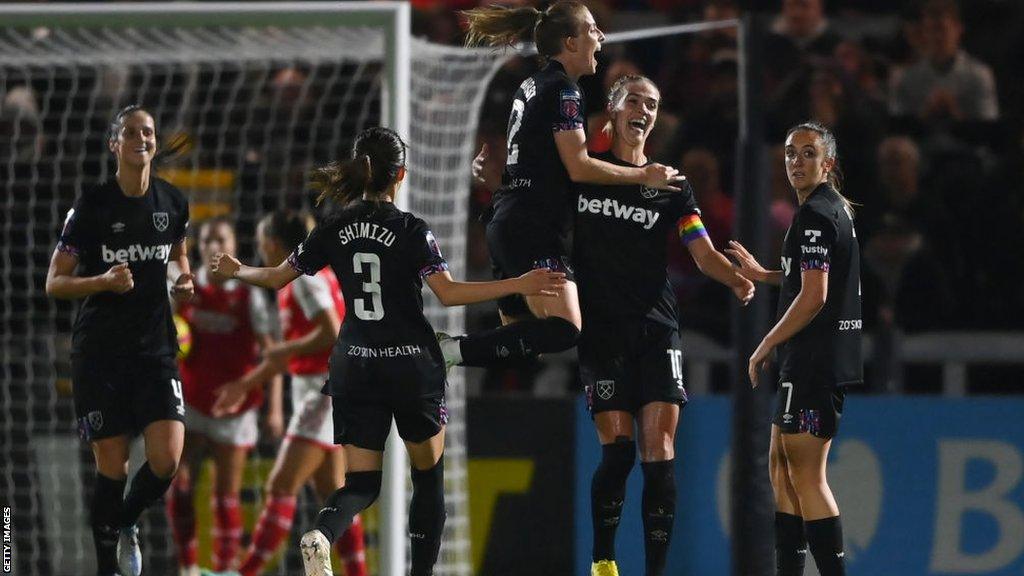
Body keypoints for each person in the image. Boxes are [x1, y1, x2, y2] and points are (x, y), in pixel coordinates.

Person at [209, 127, 566, 576]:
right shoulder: (412, 230)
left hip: (355, 365)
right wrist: (519, 283)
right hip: (410, 366)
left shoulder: (333, 226)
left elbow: (278, 276)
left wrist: (238, 269)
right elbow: (449, 294)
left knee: (359, 483)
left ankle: (321, 533)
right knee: (428, 478)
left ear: (359, 172)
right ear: (401, 174)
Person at [439, 1, 683, 370]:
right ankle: (447, 351)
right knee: (565, 330)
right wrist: (644, 175)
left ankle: (449, 356)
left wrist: (497, 178)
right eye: (591, 30)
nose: (600, 36)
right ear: (570, 43)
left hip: (507, 221)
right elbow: (579, 167)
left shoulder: (530, 85)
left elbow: (534, 162)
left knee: (528, 347)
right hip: (533, 230)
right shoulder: (565, 91)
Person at [45, 104, 193, 576]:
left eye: (147, 131)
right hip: (101, 355)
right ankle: (106, 567)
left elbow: (178, 257)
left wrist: (184, 281)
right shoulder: (91, 208)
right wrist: (102, 282)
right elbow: (54, 282)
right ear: (115, 144)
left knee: (167, 458)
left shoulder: (172, 203)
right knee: (112, 469)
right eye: (131, 131)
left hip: (155, 350)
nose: (141, 138)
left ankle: (126, 522)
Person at [727, 121, 861, 576]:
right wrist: (766, 274)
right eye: (790, 153)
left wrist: (766, 342)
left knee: (806, 476)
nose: (796, 162)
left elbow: (815, 295)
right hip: (811, 362)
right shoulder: (831, 210)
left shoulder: (815, 216)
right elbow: (809, 278)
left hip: (813, 362)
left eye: (808, 154)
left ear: (828, 163)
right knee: (781, 469)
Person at [209, 211, 367, 576]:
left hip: (324, 392)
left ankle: (244, 572)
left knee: (281, 485)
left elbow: (331, 331)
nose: (260, 245)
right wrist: (244, 385)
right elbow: (292, 354)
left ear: (276, 243)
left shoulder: (304, 280)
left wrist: (287, 349)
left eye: (263, 238)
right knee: (333, 498)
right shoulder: (307, 279)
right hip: (325, 389)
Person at [166, 217, 283, 576]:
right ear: (199, 248)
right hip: (193, 403)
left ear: (234, 245)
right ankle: (188, 567)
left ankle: (224, 568)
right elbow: (168, 341)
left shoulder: (250, 295)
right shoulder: (186, 289)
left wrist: (275, 410)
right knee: (178, 485)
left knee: (225, 496)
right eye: (207, 240)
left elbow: (273, 353)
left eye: (222, 238)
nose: (214, 245)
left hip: (237, 409)